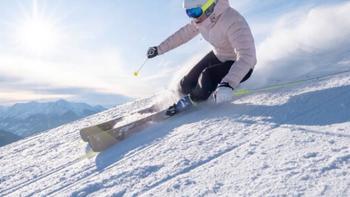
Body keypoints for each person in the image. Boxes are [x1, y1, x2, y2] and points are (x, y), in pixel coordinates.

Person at [147, 0, 257, 116]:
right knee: (186, 84)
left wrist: (228, 83)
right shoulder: (201, 21)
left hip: (241, 65)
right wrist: (159, 49)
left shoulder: (232, 20)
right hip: (219, 55)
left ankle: (191, 100)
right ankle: (174, 98)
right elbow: (182, 35)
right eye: (189, 13)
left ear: (209, 6)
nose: (193, 17)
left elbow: (248, 56)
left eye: (195, 11)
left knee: (207, 77)